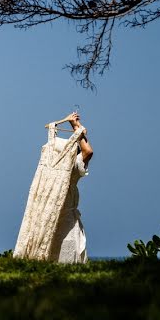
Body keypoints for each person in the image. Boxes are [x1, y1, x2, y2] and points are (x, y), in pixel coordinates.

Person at [54, 111, 93, 263]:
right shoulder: (74, 166)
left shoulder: (56, 165)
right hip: (67, 216)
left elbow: (85, 151)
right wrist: (75, 126)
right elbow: (88, 151)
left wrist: (77, 128)